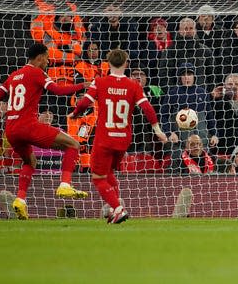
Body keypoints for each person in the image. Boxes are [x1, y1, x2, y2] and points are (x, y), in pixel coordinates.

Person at [0, 43, 90, 220]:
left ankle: (20, 200)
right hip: (28, 126)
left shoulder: (13, 76)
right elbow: (58, 90)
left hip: (11, 130)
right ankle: (65, 184)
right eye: (47, 57)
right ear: (40, 57)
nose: (48, 61)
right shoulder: (37, 73)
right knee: (72, 144)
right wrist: (83, 85)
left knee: (30, 161)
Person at [69, 49, 167, 224]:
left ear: (108, 62)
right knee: (109, 173)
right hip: (123, 139)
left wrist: (75, 114)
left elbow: (84, 102)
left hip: (104, 138)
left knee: (98, 178)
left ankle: (118, 209)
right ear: (126, 64)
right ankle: (113, 207)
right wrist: (157, 130)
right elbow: (148, 109)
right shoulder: (133, 85)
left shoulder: (99, 82)